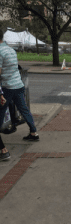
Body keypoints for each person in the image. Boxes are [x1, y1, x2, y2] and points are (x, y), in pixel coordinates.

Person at [0, 29, 39, 161]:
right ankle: (33, 132)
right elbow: (15, 68)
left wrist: (0, 93)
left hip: (7, 88)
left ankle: (3, 150)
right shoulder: (11, 50)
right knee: (23, 109)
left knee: (1, 115)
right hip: (18, 85)